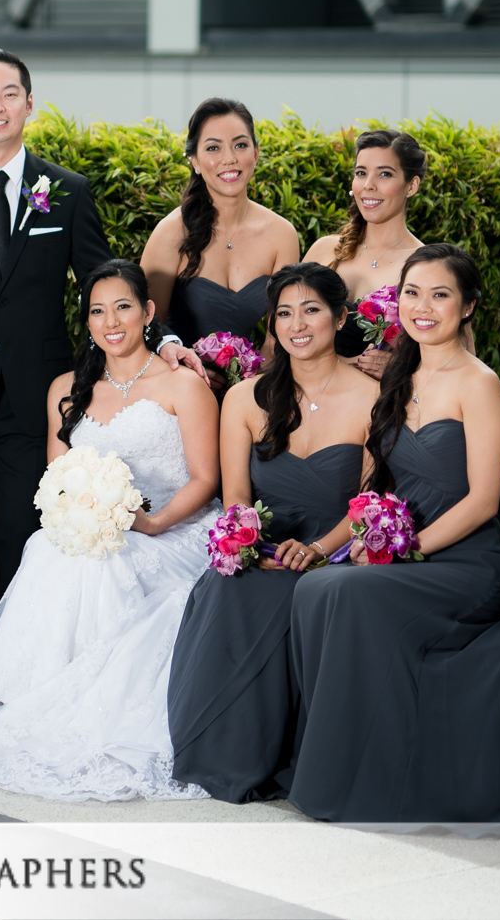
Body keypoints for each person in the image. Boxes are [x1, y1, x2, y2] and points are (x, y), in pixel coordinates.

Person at [0, 49, 200, 717]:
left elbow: (106, 285)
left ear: (30, 104)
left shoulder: (66, 191)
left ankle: (21, 673)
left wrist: (166, 340)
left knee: (21, 536)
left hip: (41, 396)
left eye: (11, 93)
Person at [0, 260, 221, 801]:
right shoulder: (67, 389)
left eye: (124, 307)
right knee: (46, 546)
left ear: (149, 312)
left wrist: (153, 522)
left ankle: (98, 716)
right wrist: (79, 517)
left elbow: (206, 479)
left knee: (108, 562)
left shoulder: (183, 384)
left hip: (177, 528)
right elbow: (57, 481)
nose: (111, 321)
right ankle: (45, 705)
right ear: (86, 321)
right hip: (102, 531)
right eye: (97, 310)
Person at [287, 243, 500, 832]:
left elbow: (484, 499)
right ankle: (343, 767)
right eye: (412, 292)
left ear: (467, 308)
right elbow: (375, 485)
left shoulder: (479, 384)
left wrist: (407, 549)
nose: (424, 306)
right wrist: (364, 536)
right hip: (401, 554)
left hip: (465, 561)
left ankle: (374, 780)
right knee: (315, 590)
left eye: (441, 295)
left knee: (346, 593)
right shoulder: (395, 377)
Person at [167, 262, 373, 802]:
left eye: (311, 310)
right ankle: (225, 751)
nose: (296, 324)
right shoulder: (244, 397)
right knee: (230, 587)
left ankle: (294, 752)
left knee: (307, 591)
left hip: (337, 545)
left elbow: (373, 499)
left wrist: (320, 549)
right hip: (263, 545)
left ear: (340, 317)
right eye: (284, 312)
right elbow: (235, 496)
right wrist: (248, 542)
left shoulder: (374, 396)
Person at [142, 98, 299, 357]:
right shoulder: (170, 233)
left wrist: (251, 383)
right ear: (195, 161)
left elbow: (279, 337)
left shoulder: (281, 235)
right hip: (176, 379)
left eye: (240, 145)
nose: (229, 158)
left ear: (256, 154)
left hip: (251, 383)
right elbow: (147, 326)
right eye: (214, 148)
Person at [303, 128, 428, 379]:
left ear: (411, 185)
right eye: (361, 173)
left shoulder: (428, 266)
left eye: (385, 174)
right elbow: (280, 337)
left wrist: (401, 370)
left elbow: (457, 361)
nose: (368, 185)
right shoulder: (324, 250)